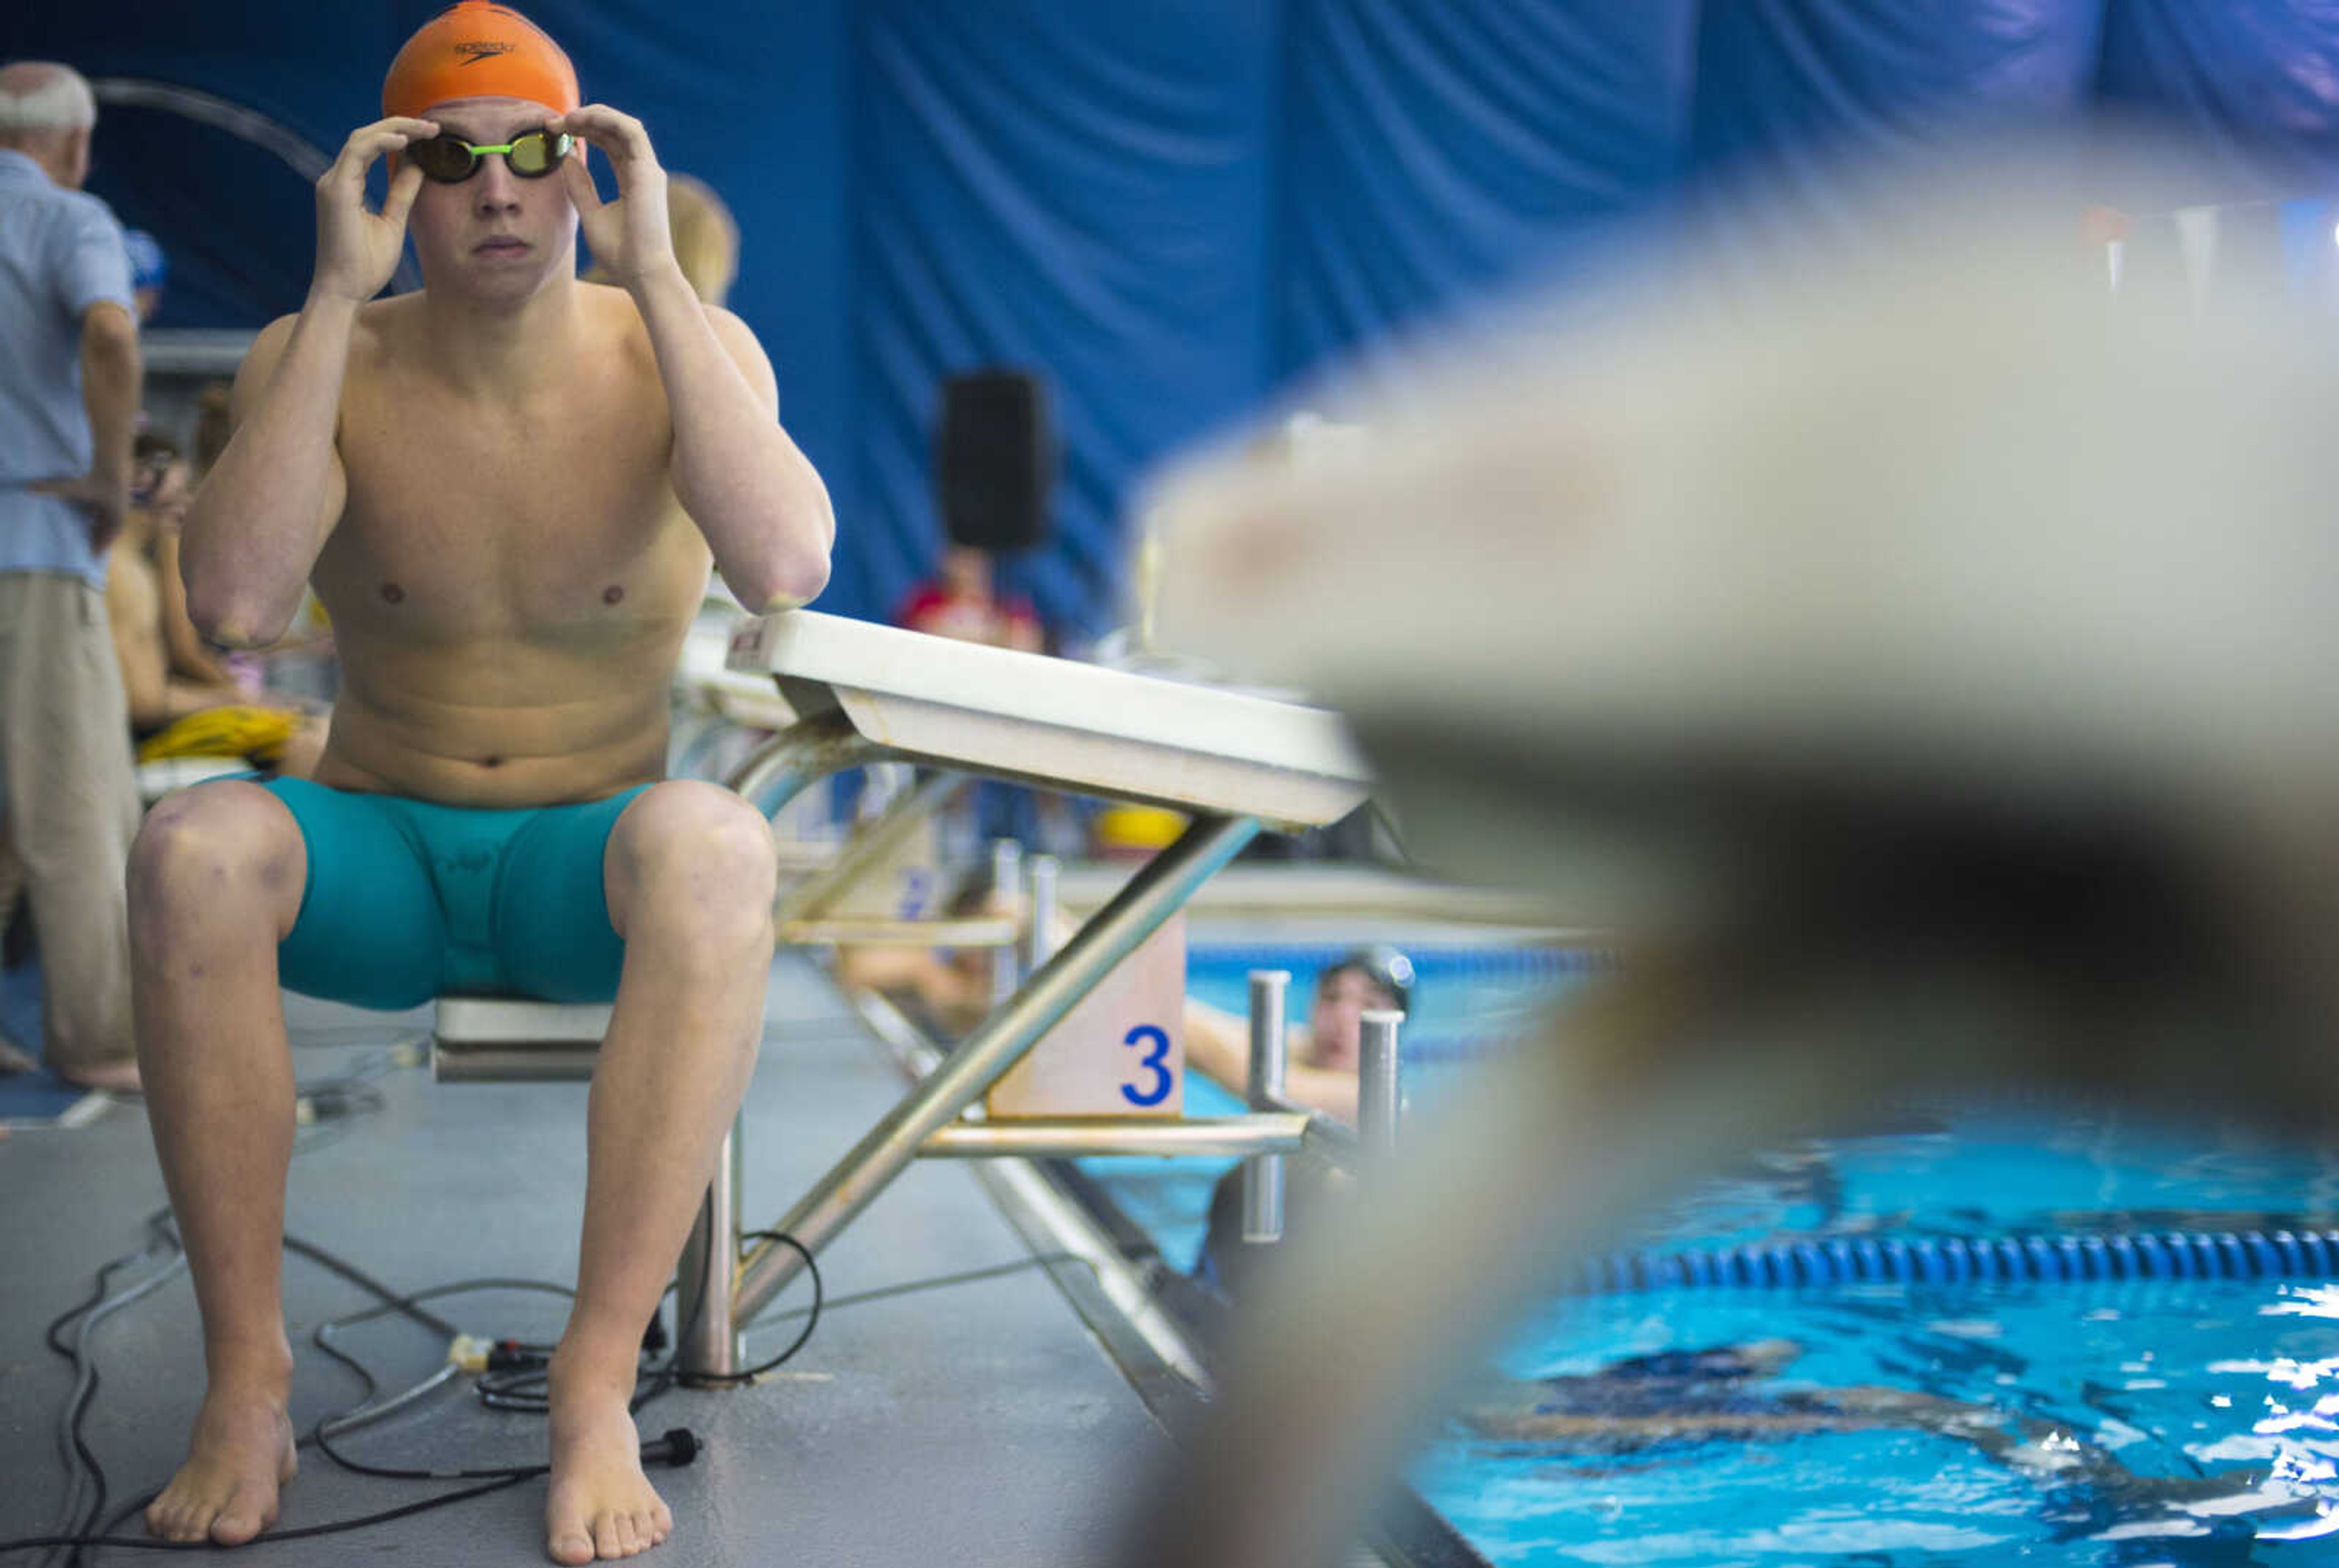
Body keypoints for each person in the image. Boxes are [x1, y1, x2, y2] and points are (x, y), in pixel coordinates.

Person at [131, 4, 832, 1561]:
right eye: (454, 161)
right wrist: (327, 291)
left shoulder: (679, 355)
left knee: (715, 846)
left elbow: (786, 558)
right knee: (192, 845)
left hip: (575, 868)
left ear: (583, 171)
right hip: (376, 846)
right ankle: (247, 1371)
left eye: (532, 155)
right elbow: (236, 607)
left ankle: (592, 1378)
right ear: (397, 184)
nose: (498, 190)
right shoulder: (321, 359)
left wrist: (654, 273)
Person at [0, 60, 145, 1093]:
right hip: (34, 545)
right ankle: (97, 1040)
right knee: (75, 804)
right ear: (76, 142)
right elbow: (107, 327)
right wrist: (109, 475)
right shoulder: (68, 218)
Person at [107, 435, 324, 777]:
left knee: (315, 732)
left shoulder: (133, 567)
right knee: (311, 746)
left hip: (155, 728)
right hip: (142, 744)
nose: (184, 506)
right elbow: (144, 702)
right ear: (140, 482)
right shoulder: (123, 572)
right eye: (176, 494)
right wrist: (233, 698)